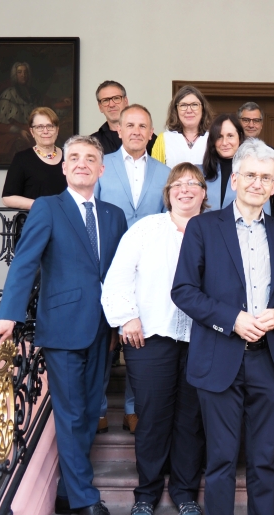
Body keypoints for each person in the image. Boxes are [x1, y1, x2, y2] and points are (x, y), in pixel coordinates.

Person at [172, 139, 274, 515]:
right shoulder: (204, 228)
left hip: (268, 363)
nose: (257, 183)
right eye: (250, 175)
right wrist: (231, 319)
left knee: (265, 460)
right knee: (221, 460)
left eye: (266, 177)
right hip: (218, 359)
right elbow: (184, 291)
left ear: (273, 185)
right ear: (234, 180)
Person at [0, 135, 128, 515]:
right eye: (75, 158)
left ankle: (67, 491)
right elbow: (24, 264)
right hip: (62, 328)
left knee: (90, 410)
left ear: (102, 169)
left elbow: (118, 273)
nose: (82, 163)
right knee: (70, 412)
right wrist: (8, 315)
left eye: (91, 158)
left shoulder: (115, 216)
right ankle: (86, 500)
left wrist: (122, 320)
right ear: (64, 167)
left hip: (103, 329)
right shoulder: (47, 208)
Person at [101, 163, 208, 515]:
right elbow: (118, 277)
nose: (185, 189)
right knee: (151, 418)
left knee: (191, 420)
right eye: (178, 184)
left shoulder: (215, 230)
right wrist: (127, 316)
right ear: (168, 193)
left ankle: (184, 492)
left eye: (193, 183)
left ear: (204, 193)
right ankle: (146, 492)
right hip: (149, 337)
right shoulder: (146, 229)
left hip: (203, 340)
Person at [95, 104, 172, 434]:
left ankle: (132, 408)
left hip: (149, 270)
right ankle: (97, 407)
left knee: (139, 340)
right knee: (103, 340)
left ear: (150, 132)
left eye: (143, 126)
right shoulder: (101, 166)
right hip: (107, 264)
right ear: (120, 130)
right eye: (130, 125)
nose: (137, 131)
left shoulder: (165, 173)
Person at [1, 107, 67, 210]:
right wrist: (44, 205)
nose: (45, 131)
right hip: (35, 222)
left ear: (57, 130)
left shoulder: (70, 157)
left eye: (50, 126)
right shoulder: (22, 159)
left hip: (65, 222)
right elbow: (8, 198)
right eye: (40, 127)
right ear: (32, 132)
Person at [237, 101, 274, 212]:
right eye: (246, 120)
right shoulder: (230, 151)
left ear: (261, 125)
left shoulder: (273, 154)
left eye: (256, 121)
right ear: (238, 123)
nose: (251, 125)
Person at [151, 85, 212, 168]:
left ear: (203, 109)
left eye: (194, 105)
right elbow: (156, 174)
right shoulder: (164, 139)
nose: (189, 110)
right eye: (183, 105)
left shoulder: (213, 139)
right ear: (176, 110)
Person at [91, 80, 157, 155]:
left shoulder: (148, 138)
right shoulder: (92, 142)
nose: (111, 104)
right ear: (100, 107)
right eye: (105, 100)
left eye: (116, 98)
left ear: (126, 101)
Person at [202, 114, 243, 212]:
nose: (224, 142)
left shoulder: (253, 172)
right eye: (219, 137)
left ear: (240, 138)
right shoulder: (199, 173)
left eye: (230, 136)